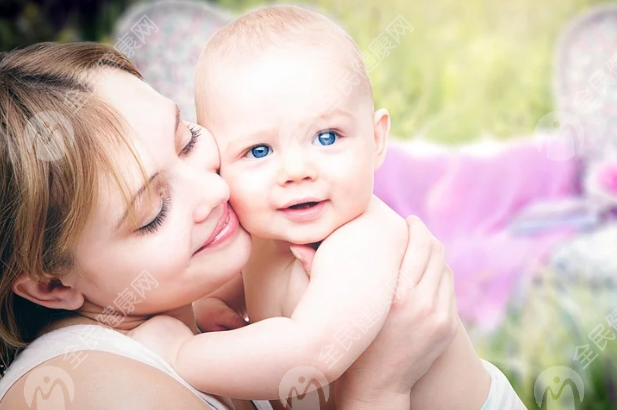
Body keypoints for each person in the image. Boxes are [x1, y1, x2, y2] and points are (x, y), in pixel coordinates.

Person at [0, 42, 458, 409]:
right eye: (153, 214)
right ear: (50, 286)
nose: (215, 192)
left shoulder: (190, 311)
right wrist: (378, 390)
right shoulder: (85, 392)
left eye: (188, 140)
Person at [139, 6, 524, 410]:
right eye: (259, 150)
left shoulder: (364, 240)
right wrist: (211, 306)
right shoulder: (264, 235)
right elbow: (237, 287)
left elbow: (313, 353)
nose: (297, 171)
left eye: (326, 137)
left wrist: (182, 353)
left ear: (376, 140)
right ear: (220, 163)